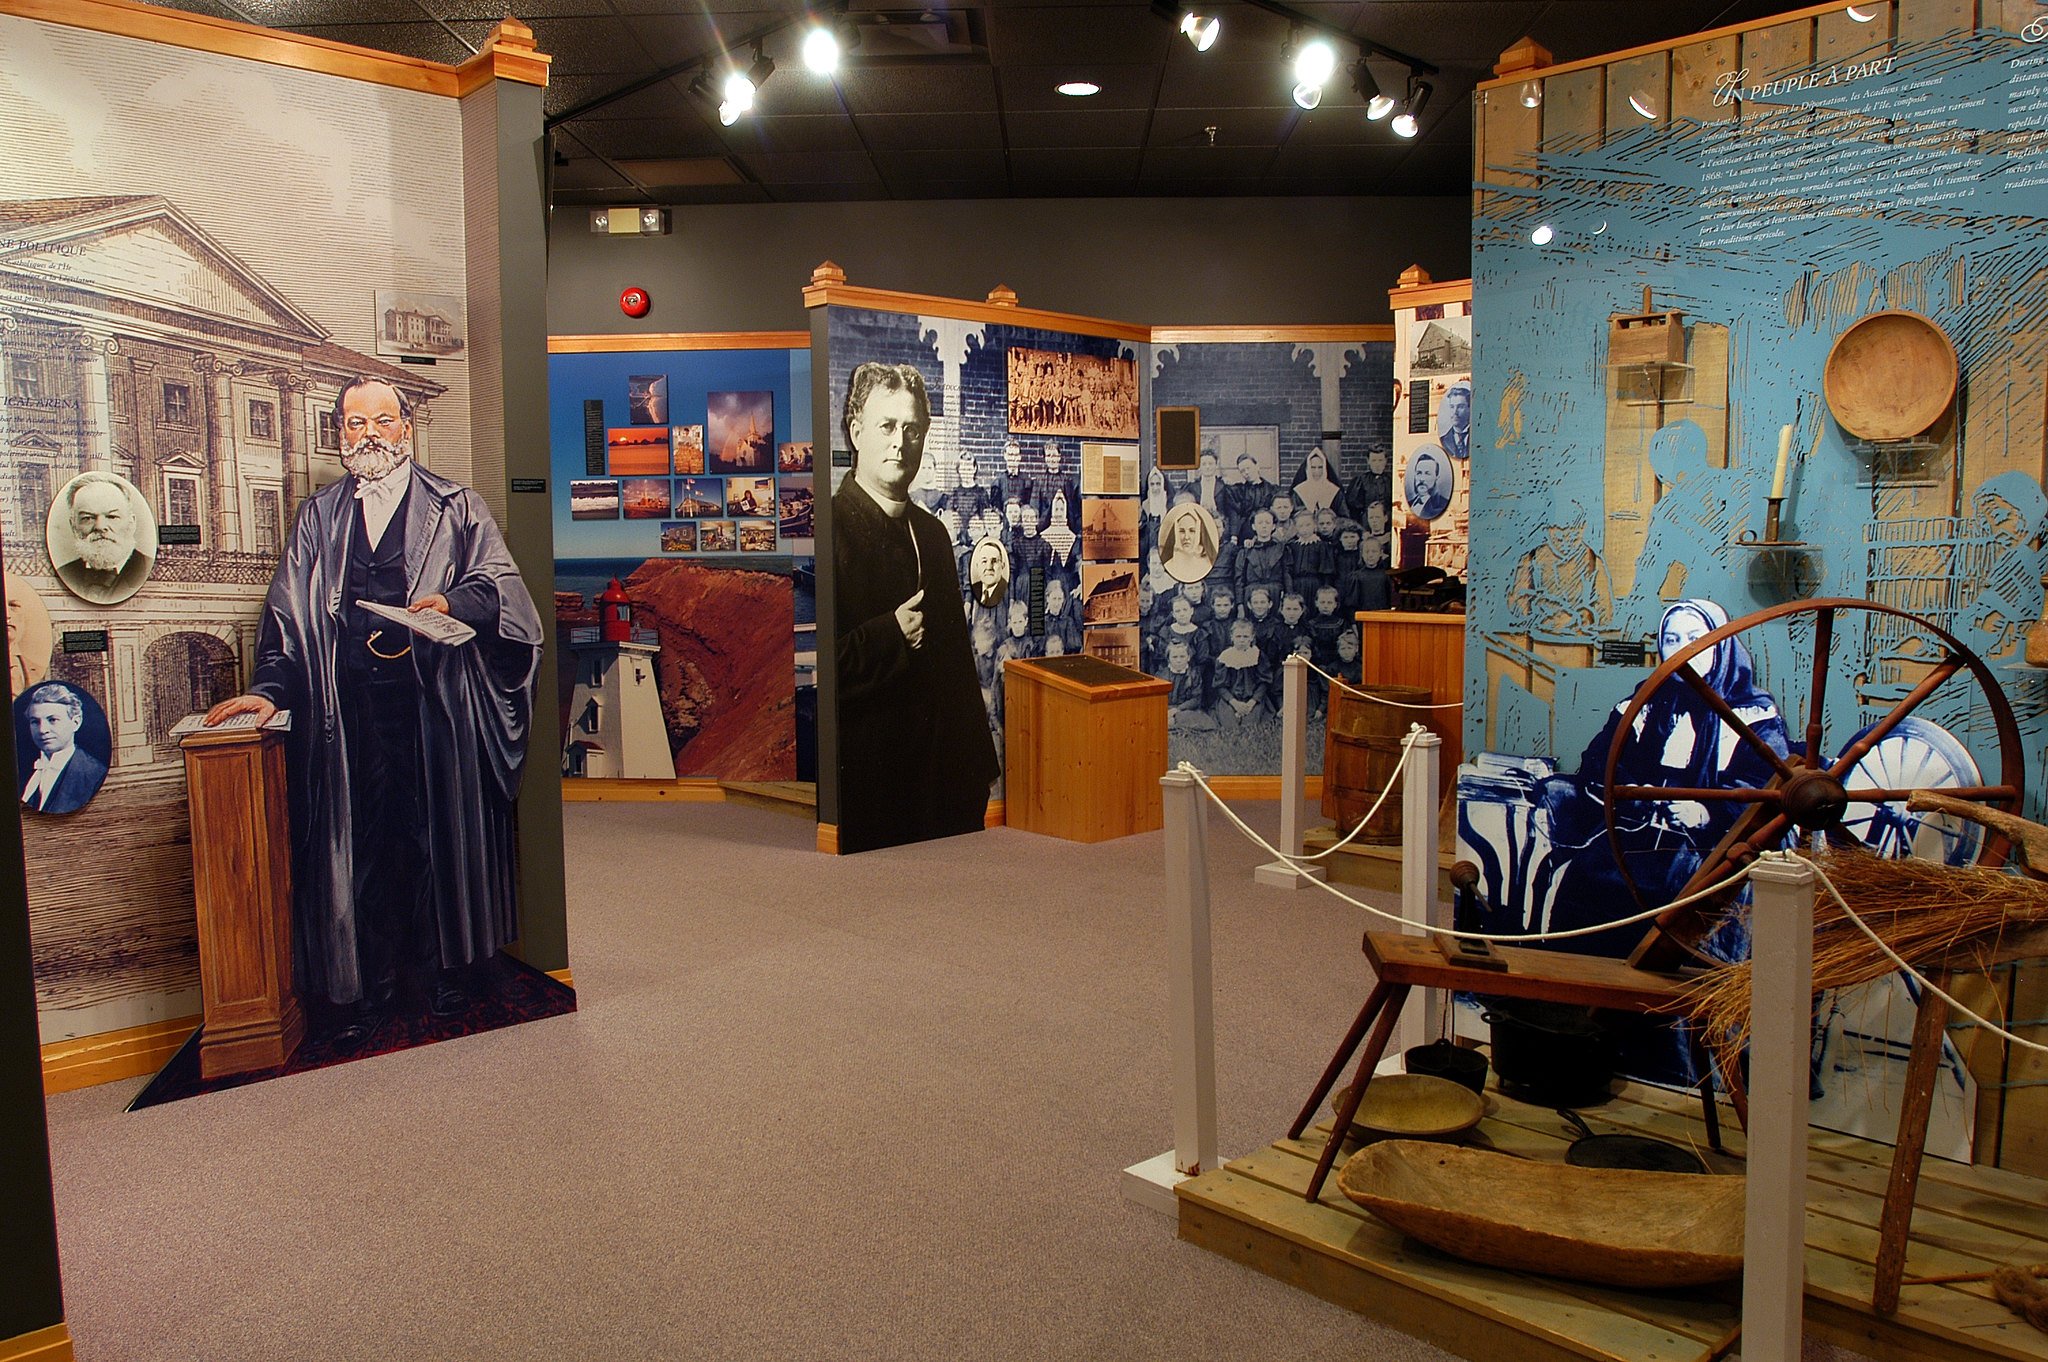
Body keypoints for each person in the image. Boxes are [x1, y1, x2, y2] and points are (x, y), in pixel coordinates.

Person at [204, 376, 543, 1041]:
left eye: (382, 421)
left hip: (433, 710)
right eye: (354, 424)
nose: (368, 435)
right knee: (361, 852)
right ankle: (372, 991)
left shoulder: (457, 506)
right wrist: (269, 690)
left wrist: (452, 603)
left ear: (407, 429)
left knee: (431, 844)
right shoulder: (319, 516)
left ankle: (442, 977)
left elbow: (500, 588)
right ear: (339, 435)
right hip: (348, 713)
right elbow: (288, 619)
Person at [828, 362, 997, 853]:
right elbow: (818, 669)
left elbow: (958, 666)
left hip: (940, 776)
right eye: (887, 426)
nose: (901, 442)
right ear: (857, 432)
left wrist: (976, 767)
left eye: (912, 428)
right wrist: (891, 635)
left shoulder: (933, 534)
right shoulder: (829, 530)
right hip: (870, 780)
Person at [51, 472, 153, 605]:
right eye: (87, 518)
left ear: (131, 523)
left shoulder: (150, 570)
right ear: (73, 526)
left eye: (112, 517)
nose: (100, 526)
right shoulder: (63, 573)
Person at [18, 682, 106, 815]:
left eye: (52, 720)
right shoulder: (22, 771)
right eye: (35, 722)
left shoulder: (94, 775)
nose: (42, 730)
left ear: (76, 722)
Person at [1161, 503, 1218, 583]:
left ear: (1199, 532)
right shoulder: (1169, 565)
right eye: (1181, 531)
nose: (1186, 537)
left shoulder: (1207, 564)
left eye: (1192, 531)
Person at [1406, 450, 1451, 520]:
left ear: (1436, 478)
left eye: (1427, 473)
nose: (1422, 479)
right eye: (1419, 473)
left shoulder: (1442, 505)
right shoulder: (1408, 503)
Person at [968, 537, 1010, 609]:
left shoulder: (1006, 593)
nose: (989, 567)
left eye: (994, 561)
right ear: (977, 565)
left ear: (1002, 565)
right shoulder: (975, 588)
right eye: (984, 561)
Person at [1437, 381, 1473, 461]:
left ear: (1469, 409)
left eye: (1460, 407)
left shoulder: (1477, 438)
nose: (1455, 412)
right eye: (1452, 407)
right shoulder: (1444, 440)